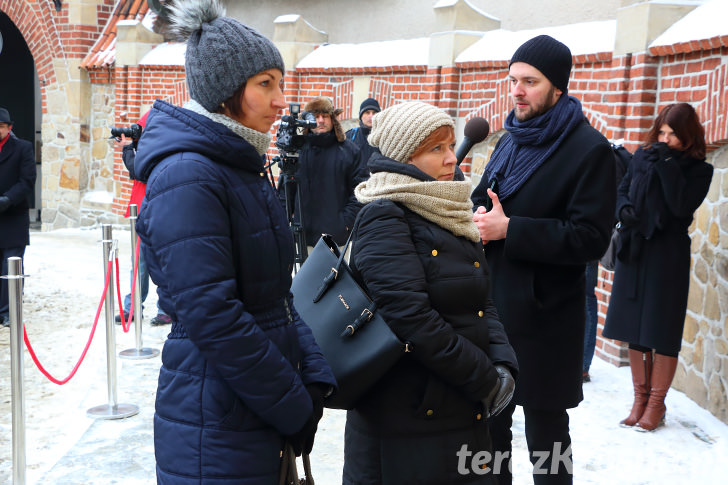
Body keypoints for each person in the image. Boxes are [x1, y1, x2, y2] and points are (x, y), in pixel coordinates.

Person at [131, 1, 336, 482]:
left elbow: (273, 299)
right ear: (226, 92)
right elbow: (213, 315)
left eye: (280, 83)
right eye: (265, 84)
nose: (282, 100)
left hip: (249, 407)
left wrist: (313, 370)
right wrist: (291, 405)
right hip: (215, 418)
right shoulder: (188, 174)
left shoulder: (236, 165)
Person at [344, 101, 518, 484]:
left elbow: (481, 300)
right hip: (410, 415)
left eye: (451, 145)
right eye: (435, 149)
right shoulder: (384, 214)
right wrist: (485, 379)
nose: (450, 160)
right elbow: (410, 317)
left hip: (460, 406)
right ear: (405, 156)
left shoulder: (447, 209)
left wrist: (503, 362)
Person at [471, 35, 615, 484]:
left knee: (547, 437)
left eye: (530, 81)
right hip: (493, 309)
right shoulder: (511, 138)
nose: (517, 90)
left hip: (546, 317)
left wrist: (510, 229)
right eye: (512, 79)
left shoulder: (590, 149)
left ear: (557, 87)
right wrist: (477, 214)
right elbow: (486, 196)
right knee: (488, 428)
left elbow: (590, 238)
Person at [602, 103, 713, 432]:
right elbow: (622, 190)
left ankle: (656, 405)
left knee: (661, 329)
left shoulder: (699, 170)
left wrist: (666, 162)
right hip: (635, 249)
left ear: (688, 137)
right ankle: (639, 400)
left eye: (673, 135)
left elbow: (680, 204)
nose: (664, 140)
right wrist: (623, 211)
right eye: (661, 132)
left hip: (668, 255)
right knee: (635, 327)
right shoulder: (642, 156)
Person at [284, 96, 367, 250]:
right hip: (302, 239)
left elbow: (360, 190)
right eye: (316, 116)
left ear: (332, 119)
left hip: (336, 240)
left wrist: (345, 224)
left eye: (325, 116)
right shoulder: (297, 151)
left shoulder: (350, 151)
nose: (320, 120)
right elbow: (285, 190)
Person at [113, 112, 172, 327]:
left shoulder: (162, 147)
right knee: (139, 262)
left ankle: (165, 309)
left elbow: (139, 171)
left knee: (162, 261)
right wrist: (129, 146)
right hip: (141, 208)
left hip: (159, 208)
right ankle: (133, 307)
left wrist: (128, 148)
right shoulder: (144, 147)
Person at [0, 107, 37, 328]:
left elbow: (27, 180)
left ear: (9, 128)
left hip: (13, 216)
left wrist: (7, 199)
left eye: (1, 126)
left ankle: (9, 311)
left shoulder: (23, 148)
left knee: (11, 267)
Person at [346, 97, 381, 165]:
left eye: (374, 113)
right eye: (367, 113)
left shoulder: (384, 137)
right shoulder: (351, 136)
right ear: (361, 116)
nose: (371, 116)